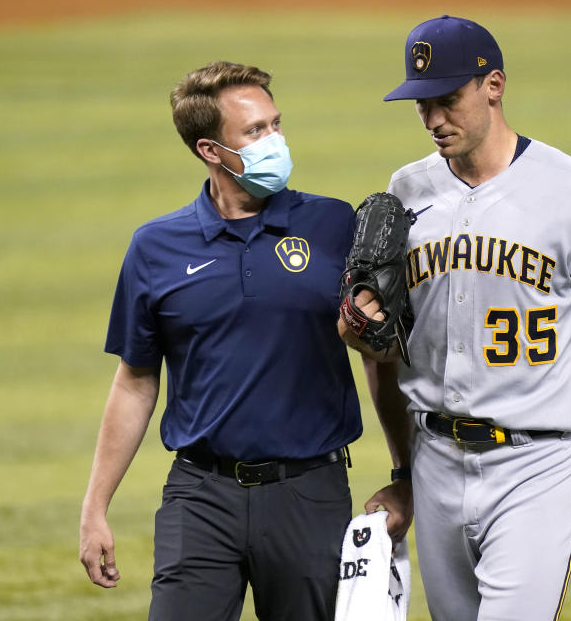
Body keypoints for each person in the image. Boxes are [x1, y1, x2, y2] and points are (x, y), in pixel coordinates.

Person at [338, 16, 571, 620]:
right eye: (421, 104)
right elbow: (388, 348)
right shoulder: (405, 192)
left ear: (494, 86)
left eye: (448, 99)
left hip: (537, 463)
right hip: (434, 460)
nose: (434, 119)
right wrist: (363, 337)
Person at [79, 60, 411, 621]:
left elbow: (382, 361)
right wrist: (95, 507)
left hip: (310, 491)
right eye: (255, 132)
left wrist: (404, 475)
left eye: (275, 124)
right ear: (210, 150)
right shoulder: (156, 248)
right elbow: (135, 382)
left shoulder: (332, 225)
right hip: (200, 496)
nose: (274, 140)